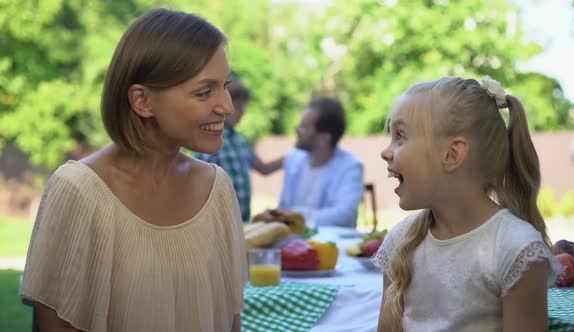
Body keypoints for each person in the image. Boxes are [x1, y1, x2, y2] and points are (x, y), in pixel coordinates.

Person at [19, 8, 246, 332]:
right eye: (204, 91)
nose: (227, 106)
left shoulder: (217, 188)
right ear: (142, 101)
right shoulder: (78, 191)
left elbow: (229, 320)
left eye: (225, 85)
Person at [374, 77, 562, 332]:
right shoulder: (400, 241)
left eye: (401, 136)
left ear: (452, 155)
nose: (386, 152)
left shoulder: (515, 249)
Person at [194, 74, 283, 221]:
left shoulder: (240, 141)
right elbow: (199, 183)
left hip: (242, 220)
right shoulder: (209, 140)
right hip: (218, 221)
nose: (242, 111)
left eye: (244, 107)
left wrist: (293, 156)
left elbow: (263, 168)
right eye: (238, 106)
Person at [279, 97, 364, 228]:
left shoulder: (350, 166)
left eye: (304, 126)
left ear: (324, 138)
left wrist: (294, 216)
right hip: (290, 245)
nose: (297, 129)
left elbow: (345, 216)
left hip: (331, 246)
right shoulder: (293, 160)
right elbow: (282, 209)